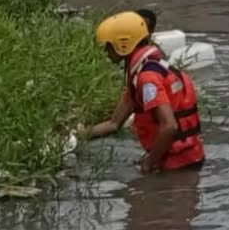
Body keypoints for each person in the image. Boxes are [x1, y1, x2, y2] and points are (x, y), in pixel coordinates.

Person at [84, 11, 204, 173]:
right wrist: (77, 136)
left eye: (108, 45)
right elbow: (113, 124)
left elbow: (169, 126)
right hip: (184, 160)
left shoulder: (147, 78)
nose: (105, 51)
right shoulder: (144, 72)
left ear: (123, 43)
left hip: (178, 167)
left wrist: (149, 163)